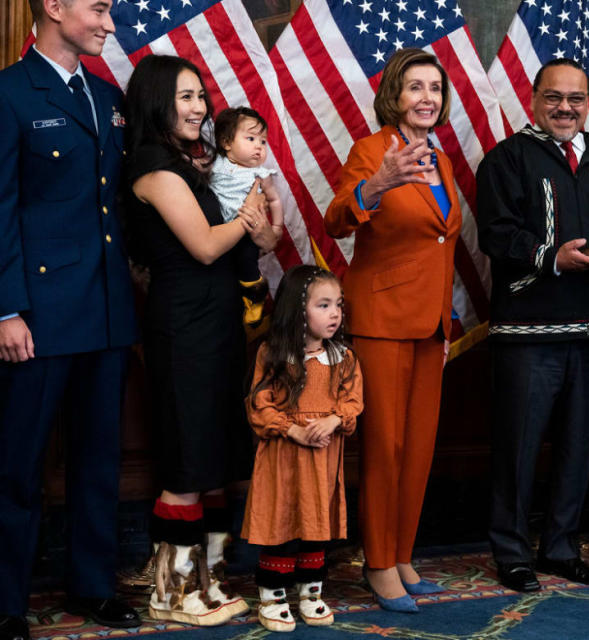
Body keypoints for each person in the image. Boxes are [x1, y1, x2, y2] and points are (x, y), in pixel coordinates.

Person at [476, 58, 589, 594]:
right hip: (528, 329)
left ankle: (561, 549)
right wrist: (554, 256)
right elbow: (496, 237)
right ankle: (512, 552)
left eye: (575, 99)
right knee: (518, 448)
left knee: (577, 447)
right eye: (554, 97)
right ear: (533, 99)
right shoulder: (507, 158)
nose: (565, 108)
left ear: (588, 103)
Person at [0, 0, 141, 637]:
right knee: (19, 466)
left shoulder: (108, 95)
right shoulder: (8, 93)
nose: (109, 23)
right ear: (54, 8)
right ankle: (6, 601)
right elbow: (0, 210)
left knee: (99, 461)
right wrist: (6, 309)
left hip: (106, 309)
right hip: (38, 315)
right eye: (99, 8)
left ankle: (91, 584)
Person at [123, 54, 278, 624]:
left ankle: (205, 582)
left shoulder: (188, 166)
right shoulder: (153, 167)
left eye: (200, 96)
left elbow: (237, 244)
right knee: (188, 457)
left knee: (211, 455)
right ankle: (170, 592)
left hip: (215, 323)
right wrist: (249, 213)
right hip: (182, 325)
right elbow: (206, 246)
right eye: (185, 97)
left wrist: (259, 230)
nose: (198, 108)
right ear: (157, 101)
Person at [324, 48, 460, 613]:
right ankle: (378, 563)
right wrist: (374, 187)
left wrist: (446, 323)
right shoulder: (371, 152)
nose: (426, 97)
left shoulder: (443, 159)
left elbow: (440, 240)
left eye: (434, 88)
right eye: (414, 88)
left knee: (419, 449)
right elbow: (335, 220)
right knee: (385, 447)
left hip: (430, 327)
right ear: (394, 97)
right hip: (380, 322)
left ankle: (403, 556)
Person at [243, 265, 363, 632]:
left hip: (323, 458)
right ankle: (273, 595)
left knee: (317, 523)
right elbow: (260, 404)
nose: (335, 314)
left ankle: (311, 592)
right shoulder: (274, 354)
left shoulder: (342, 357)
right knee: (282, 519)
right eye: (323, 305)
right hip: (284, 456)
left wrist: (333, 421)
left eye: (338, 305)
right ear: (298, 310)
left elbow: (353, 400)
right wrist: (292, 429)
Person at [211, 107, 284, 329]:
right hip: (218, 228)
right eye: (250, 138)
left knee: (245, 260)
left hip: (248, 231)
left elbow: (274, 201)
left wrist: (277, 226)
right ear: (226, 143)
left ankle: (255, 295)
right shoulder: (214, 164)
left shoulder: (260, 175)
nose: (258, 147)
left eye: (263, 141)